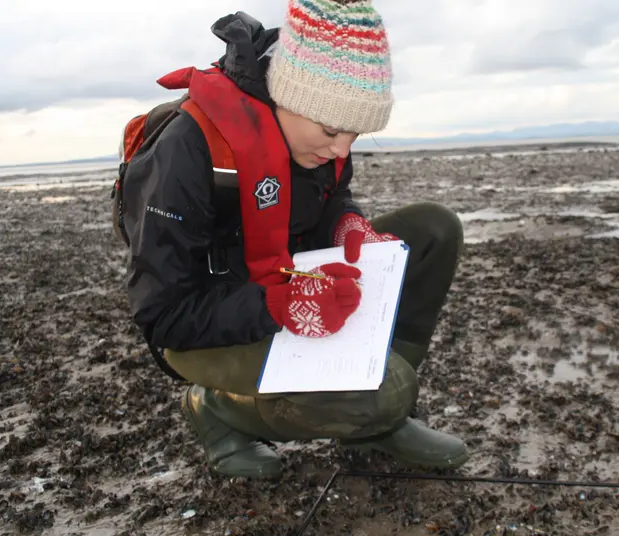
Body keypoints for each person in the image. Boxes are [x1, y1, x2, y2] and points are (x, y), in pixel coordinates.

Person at [120, 0, 469, 479]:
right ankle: (219, 410)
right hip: (208, 323)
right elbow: (164, 318)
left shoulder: (318, 135)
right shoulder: (187, 150)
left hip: (283, 272)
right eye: (331, 131)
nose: (341, 149)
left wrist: (348, 224)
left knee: (433, 230)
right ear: (287, 94)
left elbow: (329, 198)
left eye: (356, 134)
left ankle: (379, 424)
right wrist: (279, 307)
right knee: (385, 393)